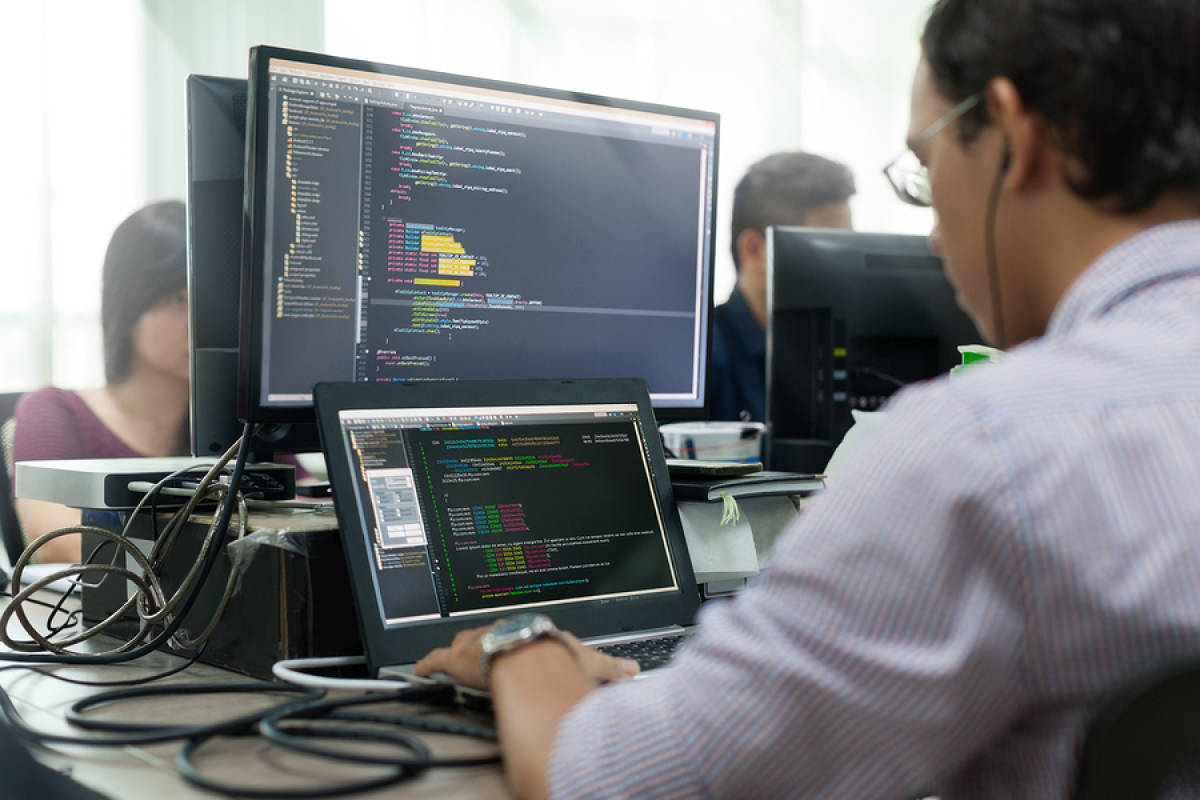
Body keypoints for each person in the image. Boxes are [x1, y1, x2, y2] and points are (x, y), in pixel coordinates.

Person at [414, 0, 1200, 797]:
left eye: (923, 166)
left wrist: (524, 646)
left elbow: (604, 780)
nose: (931, 232)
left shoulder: (985, 451)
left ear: (1010, 132)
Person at [11, 201, 189, 563]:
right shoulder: (54, 412)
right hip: (107, 618)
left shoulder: (238, 425)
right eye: (179, 299)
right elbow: (55, 541)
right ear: (129, 306)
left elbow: (303, 515)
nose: (204, 318)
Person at [709, 151, 855, 421]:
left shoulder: (838, 356)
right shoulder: (706, 363)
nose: (844, 267)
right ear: (755, 251)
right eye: (827, 248)